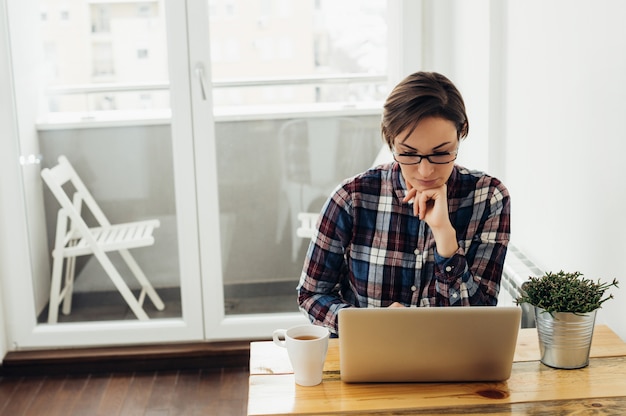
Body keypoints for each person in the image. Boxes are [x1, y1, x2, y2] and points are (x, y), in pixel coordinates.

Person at [297, 71, 511, 336]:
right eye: (408, 154)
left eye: (441, 153)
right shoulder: (352, 198)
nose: (425, 171)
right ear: (390, 141)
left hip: (452, 364)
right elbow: (311, 294)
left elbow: (479, 322)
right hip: (371, 357)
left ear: (462, 133)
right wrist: (372, 326)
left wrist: (445, 237)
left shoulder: (489, 197)